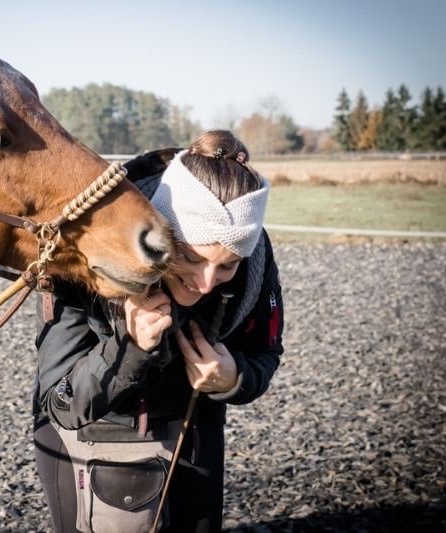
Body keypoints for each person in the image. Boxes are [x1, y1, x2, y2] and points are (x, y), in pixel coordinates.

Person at [32, 130, 284, 533]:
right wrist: (130, 348)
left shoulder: (254, 256)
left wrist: (233, 378)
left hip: (197, 435)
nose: (205, 283)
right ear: (159, 230)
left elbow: (265, 354)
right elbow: (59, 405)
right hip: (96, 442)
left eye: (227, 266)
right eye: (189, 256)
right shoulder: (86, 251)